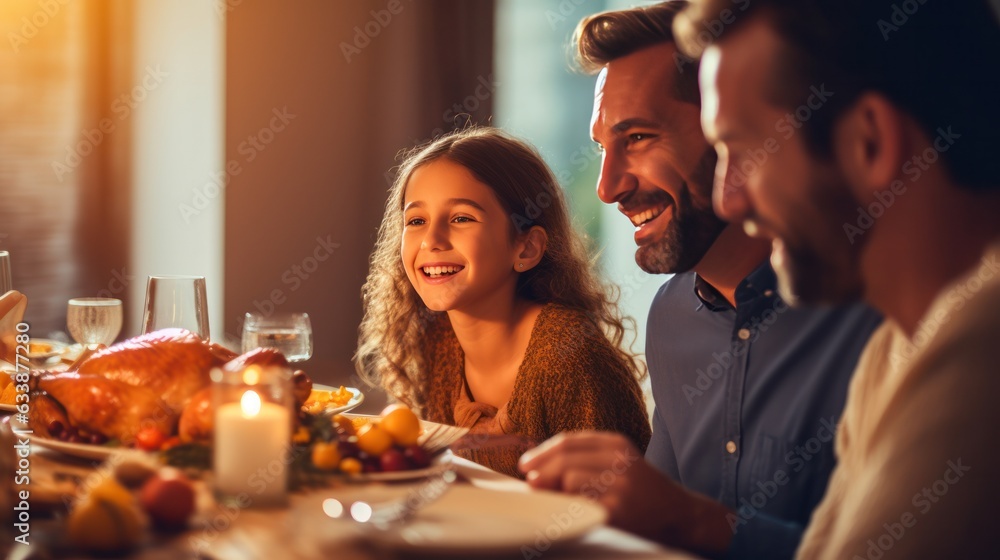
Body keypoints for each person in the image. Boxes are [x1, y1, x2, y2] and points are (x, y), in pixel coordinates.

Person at [518, 3, 881, 558]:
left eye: (637, 137)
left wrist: (689, 521)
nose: (607, 187)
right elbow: (654, 524)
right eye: (600, 148)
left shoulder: (880, 314)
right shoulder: (670, 315)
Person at [677, 0, 1000, 557]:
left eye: (744, 148)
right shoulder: (893, 351)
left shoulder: (982, 346)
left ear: (869, 142)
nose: (727, 199)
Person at [355, 127, 651, 478]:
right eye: (416, 220)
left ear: (525, 248)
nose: (431, 240)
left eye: (461, 218)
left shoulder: (569, 357)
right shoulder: (434, 340)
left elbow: (607, 509)